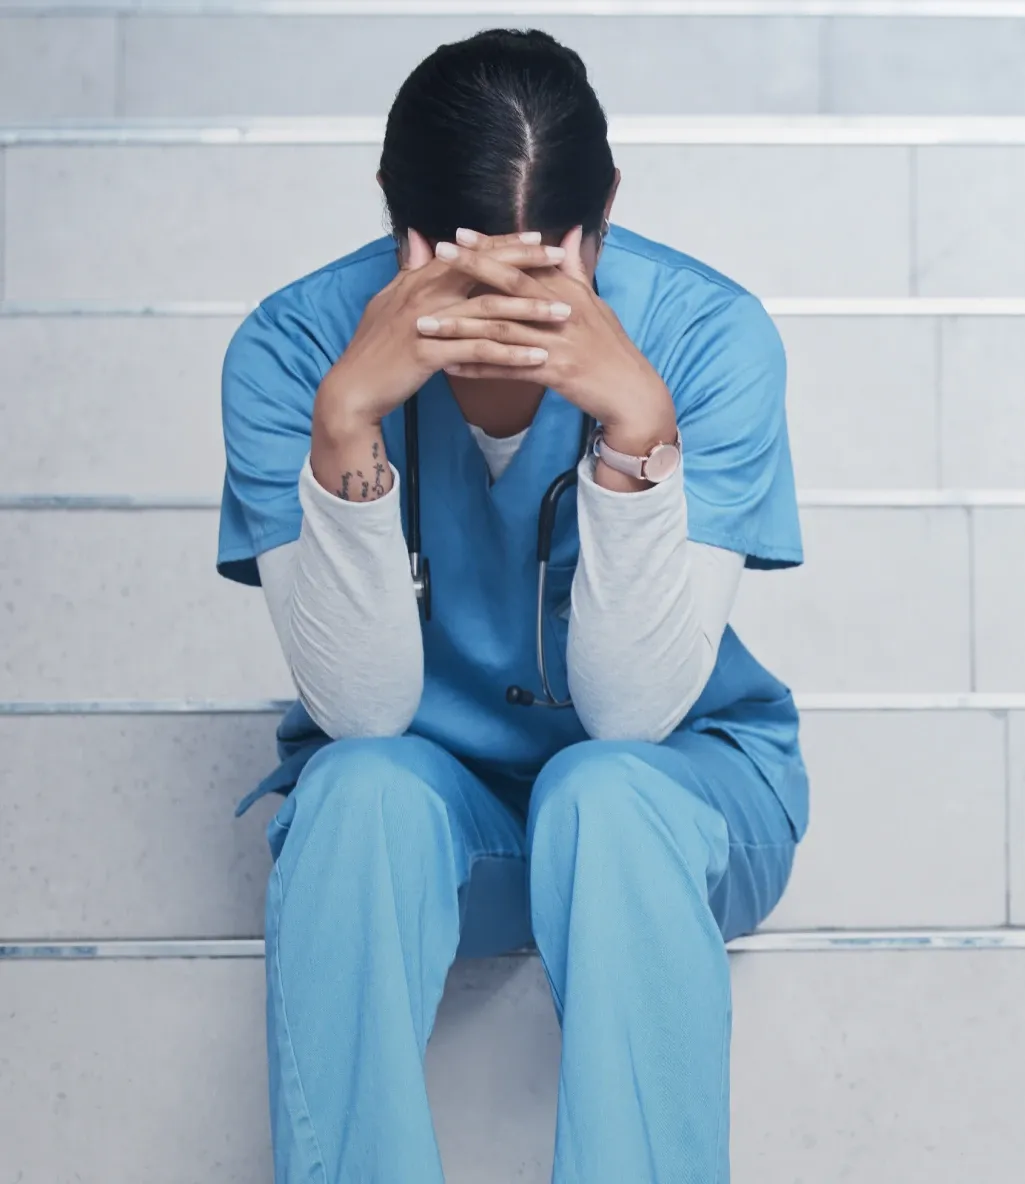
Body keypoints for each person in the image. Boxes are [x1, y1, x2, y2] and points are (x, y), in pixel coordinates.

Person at [217, 26, 808, 1184]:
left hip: (675, 801)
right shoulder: (295, 350)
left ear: (603, 218)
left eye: (551, 265)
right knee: (355, 795)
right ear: (398, 227)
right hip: (436, 809)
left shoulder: (702, 335)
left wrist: (636, 434)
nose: (506, 313)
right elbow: (365, 711)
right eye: (457, 267)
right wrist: (345, 430)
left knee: (604, 791)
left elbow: (634, 713)